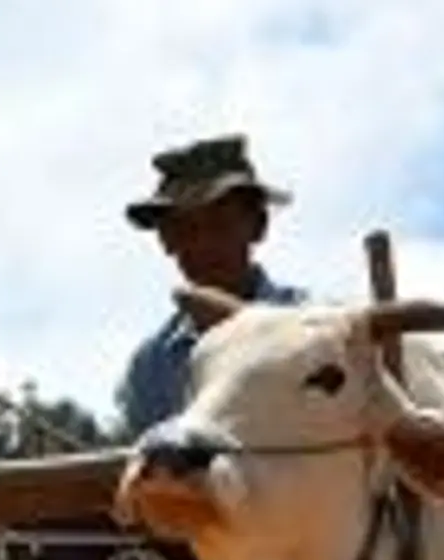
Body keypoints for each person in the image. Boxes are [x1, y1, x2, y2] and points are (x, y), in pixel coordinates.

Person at [117, 134, 307, 439]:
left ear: (258, 226)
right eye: (185, 229)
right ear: (167, 241)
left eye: (220, 225)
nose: (203, 245)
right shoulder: (151, 369)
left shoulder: (315, 328)